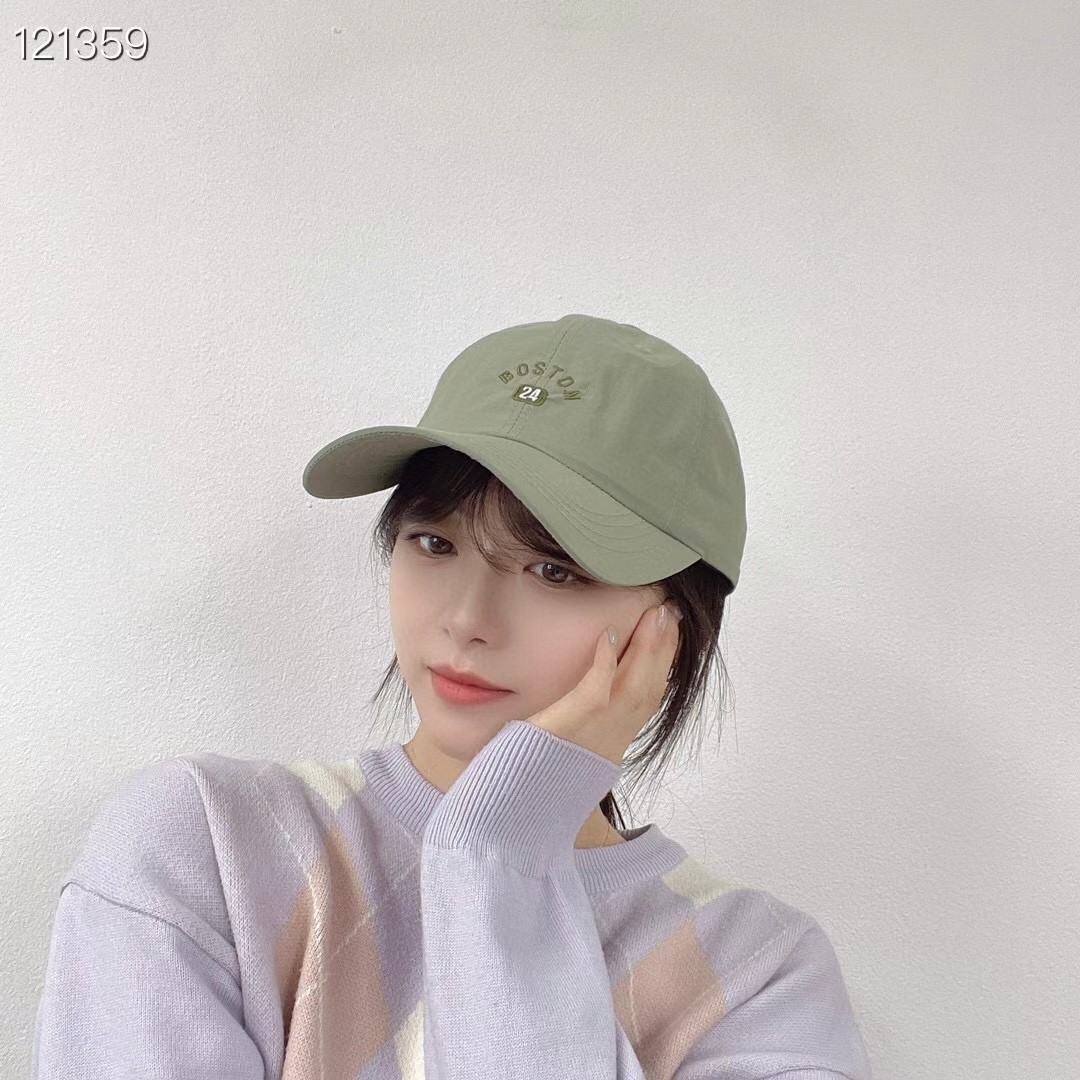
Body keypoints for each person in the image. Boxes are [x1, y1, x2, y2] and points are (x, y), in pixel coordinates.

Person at [31, 313, 873, 1079]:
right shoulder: (208, 845)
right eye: (434, 543)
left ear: (675, 628)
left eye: (555, 570)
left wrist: (501, 854)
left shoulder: (757, 975)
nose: (466, 620)